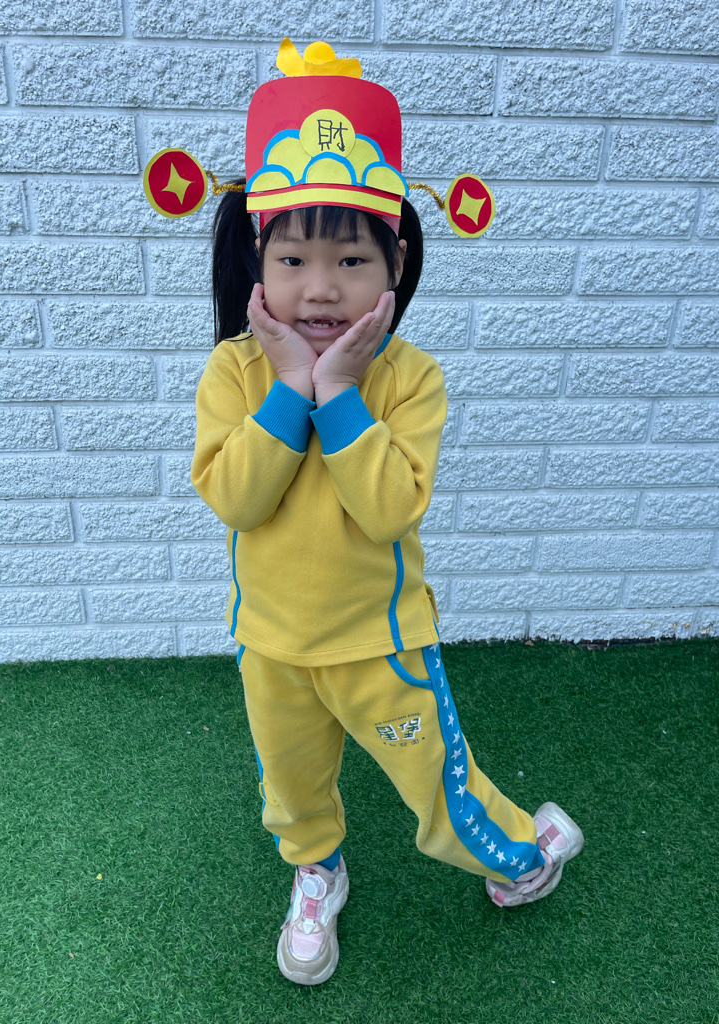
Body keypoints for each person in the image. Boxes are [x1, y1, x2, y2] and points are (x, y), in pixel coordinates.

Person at [190, 38, 584, 986]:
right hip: (271, 643)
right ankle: (317, 874)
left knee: (440, 785)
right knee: (290, 790)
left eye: (350, 258)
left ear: (395, 263)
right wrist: (288, 387)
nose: (321, 286)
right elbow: (236, 497)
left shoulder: (410, 378)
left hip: (383, 643)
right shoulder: (234, 371)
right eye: (292, 257)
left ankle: (523, 856)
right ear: (257, 257)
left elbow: (388, 511)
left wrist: (337, 391)